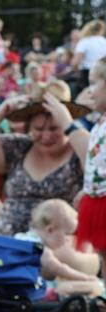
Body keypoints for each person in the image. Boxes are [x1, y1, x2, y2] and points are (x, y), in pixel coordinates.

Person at [0, 84, 87, 236]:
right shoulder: (19, 147)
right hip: (6, 237)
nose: (46, 136)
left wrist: (69, 124)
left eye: (54, 128)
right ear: (29, 128)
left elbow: (97, 162)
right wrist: (0, 113)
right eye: (38, 129)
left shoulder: (78, 151)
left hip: (55, 249)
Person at [74, 58, 106, 261]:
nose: (89, 91)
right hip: (96, 198)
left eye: (94, 83)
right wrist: (86, 189)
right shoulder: (99, 122)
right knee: (102, 253)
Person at [27, 199, 102, 287]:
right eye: (67, 234)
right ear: (50, 230)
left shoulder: (23, 237)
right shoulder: (39, 249)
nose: (68, 240)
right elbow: (60, 269)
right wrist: (85, 278)